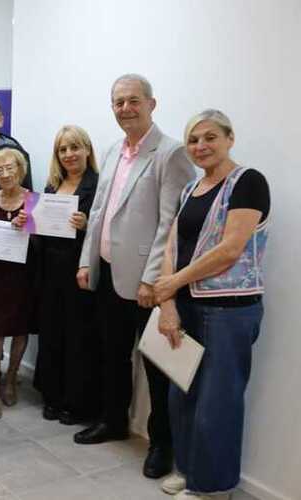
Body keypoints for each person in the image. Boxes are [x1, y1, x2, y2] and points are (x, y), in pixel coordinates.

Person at [75, 74, 195, 479]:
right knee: (113, 354)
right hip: (109, 272)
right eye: (118, 102)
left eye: (133, 101)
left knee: (157, 367)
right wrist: (87, 260)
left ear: (151, 104)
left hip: (146, 281)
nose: (125, 108)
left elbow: (169, 223)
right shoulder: (112, 151)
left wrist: (152, 280)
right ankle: (113, 421)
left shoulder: (171, 153)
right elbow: (99, 213)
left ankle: (162, 442)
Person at [154, 110, 270, 500]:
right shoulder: (191, 189)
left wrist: (173, 282)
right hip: (186, 304)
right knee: (181, 395)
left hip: (229, 311)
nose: (200, 146)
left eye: (210, 138)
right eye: (193, 140)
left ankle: (214, 487)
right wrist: (167, 299)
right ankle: (189, 470)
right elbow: (173, 246)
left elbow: (230, 250)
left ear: (229, 138)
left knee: (217, 401)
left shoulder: (249, 183)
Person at [32, 125, 101, 425]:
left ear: (87, 150)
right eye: (63, 149)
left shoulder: (98, 187)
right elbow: (41, 235)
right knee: (51, 331)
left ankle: (77, 402)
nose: (69, 154)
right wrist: (29, 222)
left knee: (78, 335)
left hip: (79, 269)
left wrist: (87, 225)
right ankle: (53, 396)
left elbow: (107, 232)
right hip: (50, 269)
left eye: (75, 147)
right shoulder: (51, 187)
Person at [0, 148, 35, 419]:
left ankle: (11, 377)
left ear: (20, 169)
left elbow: (45, 241)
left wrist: (31, 227)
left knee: (20, 328)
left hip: (24, 275)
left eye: (10, 167)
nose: (4, 173)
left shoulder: (34, 201)